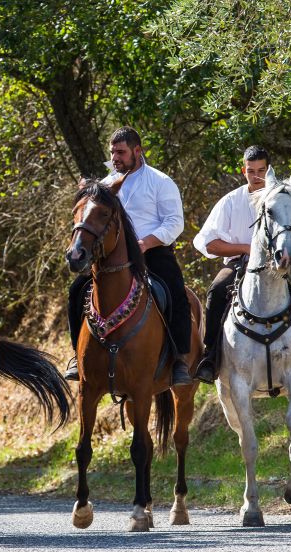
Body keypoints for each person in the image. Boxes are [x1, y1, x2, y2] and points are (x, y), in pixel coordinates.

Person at [192, 146, 291, 383]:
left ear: (268, 170)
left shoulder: (286, 196)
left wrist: (287, 248)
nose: (257, 176)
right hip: (239, 263)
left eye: (261, 170)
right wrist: (246, 249)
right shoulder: (231, 201)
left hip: (280, 263)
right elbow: (208, 244)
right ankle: (210, 356)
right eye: (251, 171)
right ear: (243, 171)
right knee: (217, 290)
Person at [65, 126, 193, 385]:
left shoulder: (161, 181)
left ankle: (179, 359)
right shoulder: (104, 185)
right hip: (110, 258)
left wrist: (146, 242)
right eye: (113, 152)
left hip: (152, 253)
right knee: (76, 290)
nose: (115, 158)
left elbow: (174, 222)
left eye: (121, 152)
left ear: (137, 151)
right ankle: (77, 357)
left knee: (175, 290)